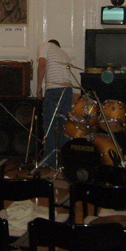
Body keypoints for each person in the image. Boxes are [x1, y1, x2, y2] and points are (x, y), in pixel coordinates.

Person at [37, 39, 75, 168]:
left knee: (50, 124)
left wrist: (38, 87)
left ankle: (49, 160)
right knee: (63, 126)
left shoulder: (45, 46)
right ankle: (63, 160)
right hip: (67, 90)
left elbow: (42, 65)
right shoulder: (64, 53)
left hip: (54, 89)